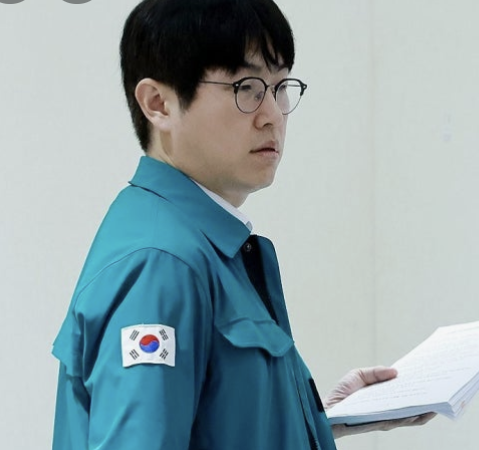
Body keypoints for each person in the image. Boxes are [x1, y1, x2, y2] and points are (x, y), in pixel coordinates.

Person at [51, 0, 434, 449]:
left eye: (281, 86)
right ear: (159, 104)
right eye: (246, 87)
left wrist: (314, 421)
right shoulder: (162, 264)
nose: (272, 114)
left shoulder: (205, 246)